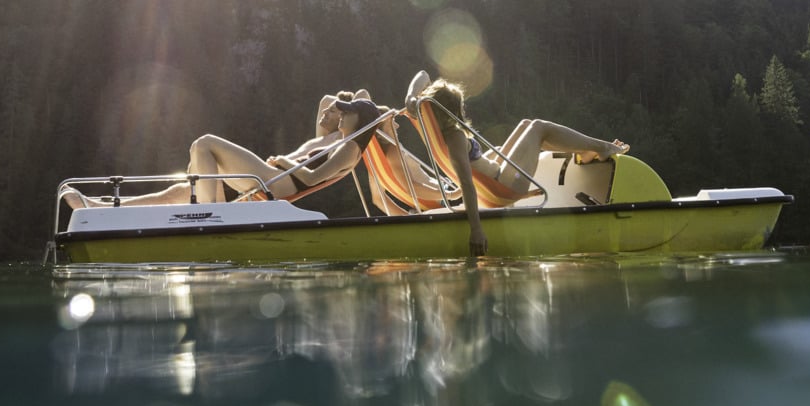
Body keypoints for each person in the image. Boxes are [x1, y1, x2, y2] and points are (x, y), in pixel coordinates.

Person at [405, 71, 628, 257]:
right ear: (453, 110)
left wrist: (411, 97)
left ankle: (586, 150)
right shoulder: (455, 136)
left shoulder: (429, 125)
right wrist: (476, 230)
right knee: (539, 127)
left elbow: (423, 75)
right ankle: (601, 147)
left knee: (526, 124)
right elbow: (467, 183)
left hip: (497, 175)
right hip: (505, 185)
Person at [62, 93, 381, 208]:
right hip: (272, 177)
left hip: (280, 182)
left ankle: (209, 214)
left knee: (204, 144)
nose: (338, 114)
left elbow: (312, 179)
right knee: (181, 189)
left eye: (346, 112)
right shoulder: (333, 137)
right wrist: (343, 104)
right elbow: (327, 101)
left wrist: (284, 161)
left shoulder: (349, 147)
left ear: (359, 120)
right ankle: (100, 206)